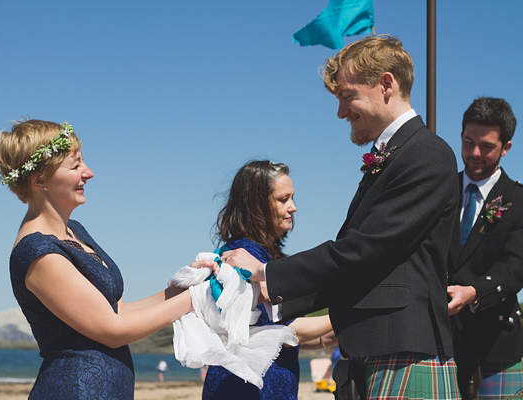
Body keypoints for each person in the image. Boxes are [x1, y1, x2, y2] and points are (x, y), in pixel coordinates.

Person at [222, 36, 461, 399]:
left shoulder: (426, 154)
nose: (340, 112)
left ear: (386, 84)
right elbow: (356, 265)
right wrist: (264, 296)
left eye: (347, 96)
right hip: (378, 350)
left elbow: (363, 250)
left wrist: (266, 272)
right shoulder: (398, 155)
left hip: (403, 351)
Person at [0, 119, 213, 399]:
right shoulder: (38, 252)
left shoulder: (75, 231)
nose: (89, 172)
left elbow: (115, 311)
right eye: (75, 166)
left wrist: (183, 288)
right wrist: (198, 298)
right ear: (39, 180)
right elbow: (113, 330)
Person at [202, 160, 336, 400]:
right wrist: (349, 314)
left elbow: (281, 339)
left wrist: (331, 337)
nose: (293, 207)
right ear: (257, 205)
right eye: (283, 199)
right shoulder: (243, 257)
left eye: (293, 198)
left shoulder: (266, 258)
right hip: (247, 388)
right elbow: (284, 330)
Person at [447, 97, 523, 399]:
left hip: (496, 345)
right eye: (468, 142)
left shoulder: (517, 200)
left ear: (506, 147)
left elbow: (515, 266)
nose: (475, 153)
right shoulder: (441, 191)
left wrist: (475, 292)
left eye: (487, 146)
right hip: (442, 341)